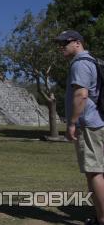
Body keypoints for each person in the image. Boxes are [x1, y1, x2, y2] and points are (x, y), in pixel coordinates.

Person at [57, 30, 104, 224]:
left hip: (87, 124)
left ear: (77, 43)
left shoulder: (80, 63)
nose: (61, 47)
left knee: (94, 172)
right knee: (97, 171)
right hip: (97, 122)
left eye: (64, 43)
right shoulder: (92, 61)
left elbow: (81, 95)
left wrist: (72, 123)